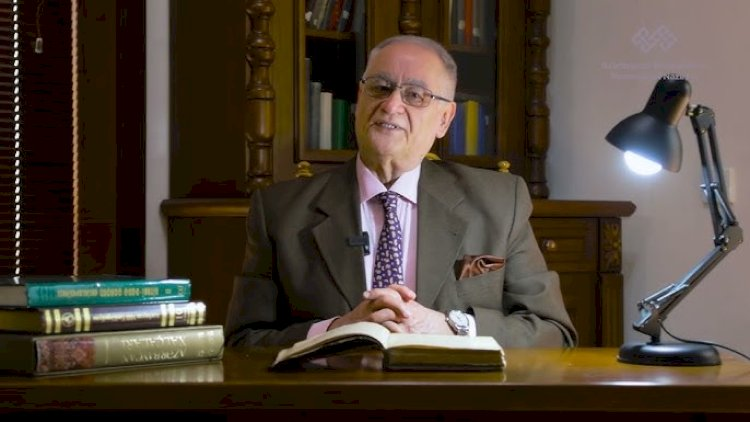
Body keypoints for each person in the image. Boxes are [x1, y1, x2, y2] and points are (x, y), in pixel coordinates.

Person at [224, 34, 577, 348]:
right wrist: (334, 332)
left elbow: (552, 332)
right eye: (380, 87)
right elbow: (242, 341)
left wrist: (450, 328)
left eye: (415, 95)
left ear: (444, 119)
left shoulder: (500, 203)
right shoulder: (280, 211)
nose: (392, 105)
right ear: (360, 98)